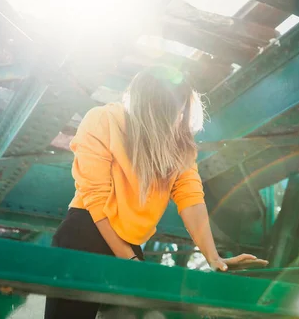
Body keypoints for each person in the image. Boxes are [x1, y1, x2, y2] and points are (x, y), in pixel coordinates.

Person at [44, 66, 267, 319]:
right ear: (148, 105)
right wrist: (129, 261)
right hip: (86, 233)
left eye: (181, 109)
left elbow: (191, 197)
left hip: (129, 244)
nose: (177, 117)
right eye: (170, 109)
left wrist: (214, 257)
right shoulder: (103, 119)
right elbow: (96, 199)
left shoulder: (179, 145)